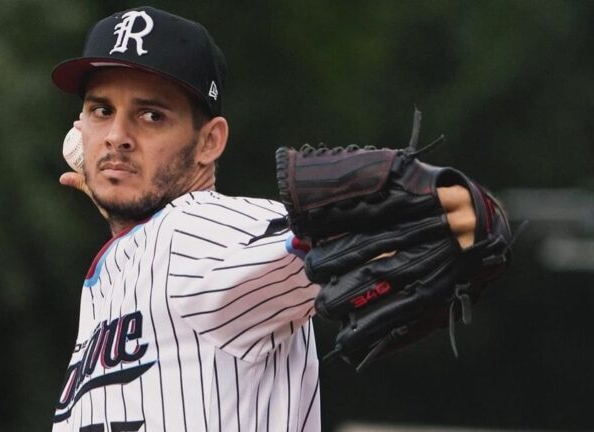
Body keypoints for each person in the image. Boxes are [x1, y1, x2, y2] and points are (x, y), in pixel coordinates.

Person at [50, 6, 477, 431]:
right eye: (101, 110)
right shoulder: (121, 265)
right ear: (79, 127)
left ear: (209, 142)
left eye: (151, 116)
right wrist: (127, 226)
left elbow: (308, 242)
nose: (117, 137)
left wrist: (435, 210)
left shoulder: (197, 230)